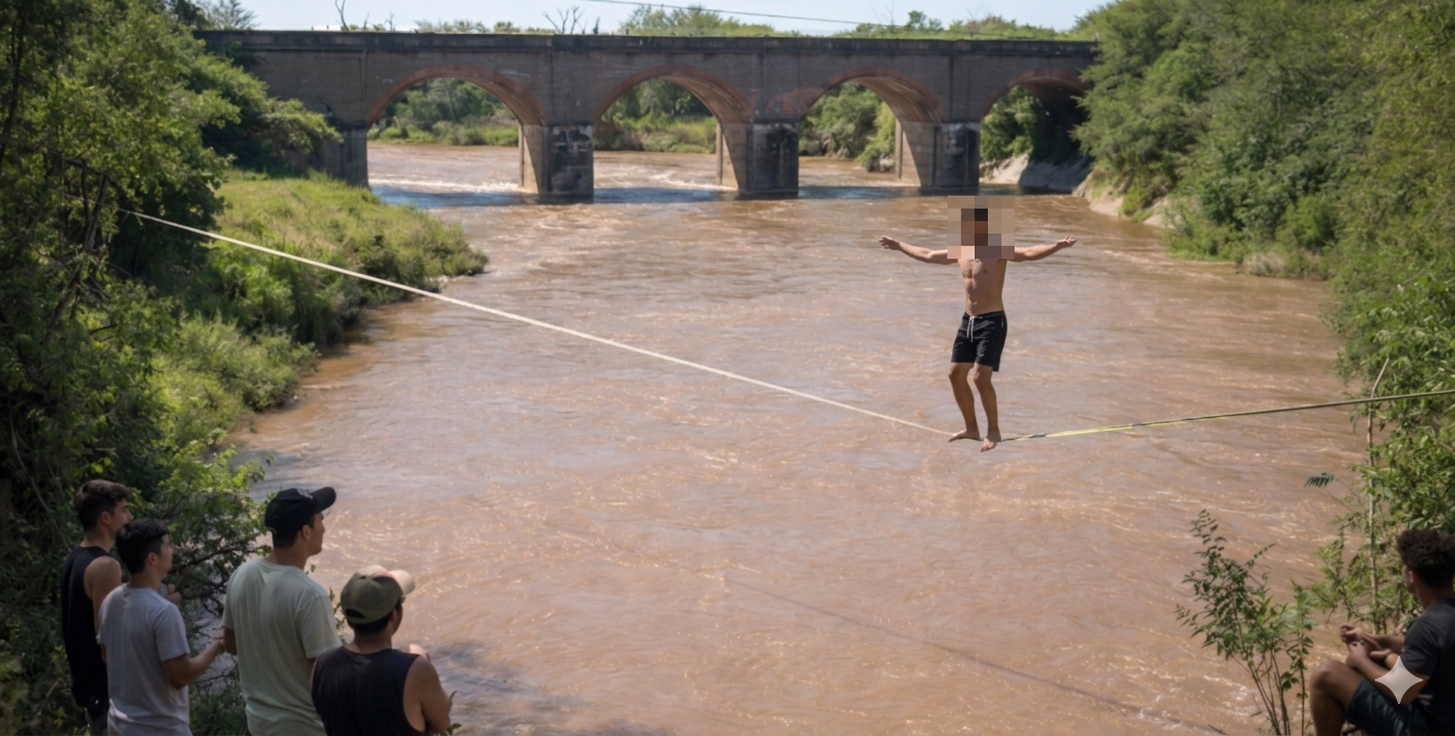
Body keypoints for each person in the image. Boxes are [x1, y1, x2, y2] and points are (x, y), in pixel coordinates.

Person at [880, 206, 1076, 451]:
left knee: (980, 378)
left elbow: (1028, 252)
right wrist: (899, 245)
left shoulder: (997, 251)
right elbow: (928, 255)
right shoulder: (961, 253)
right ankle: (971, 429)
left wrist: (1057, 246)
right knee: (955, 374)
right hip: (968, 321)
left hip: (992, 322)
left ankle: (993, 431)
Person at [1309, 528, 1455, 735]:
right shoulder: (1444, 619)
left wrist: (1360, 659)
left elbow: (1404, 690)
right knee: (1369, 661)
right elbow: (1430, 647)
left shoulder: (1427, 626)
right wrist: (1375, 641)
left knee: (1325, 674)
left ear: (1411, 576)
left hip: (1430, 729)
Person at [222, 487, 342, 735]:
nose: (324, 527)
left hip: (258, 726)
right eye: (321, 519)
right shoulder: (310, 595)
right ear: (305, 532)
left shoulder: (242, 575)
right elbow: (329, 678)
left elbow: (231, 644)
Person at [97, 519, 225, 735]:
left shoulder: (111, 600)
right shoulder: (163, 611)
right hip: (160, 729)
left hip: (119, 726)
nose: (172, 550)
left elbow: (106, 655)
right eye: (167, 545)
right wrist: (218, 646)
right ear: (152, 558)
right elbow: (180, 677)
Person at [311, 566, 452, 735]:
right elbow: (444, 725)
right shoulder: (415, 670)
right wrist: (421, 661)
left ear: (348, 619)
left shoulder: (322, 665)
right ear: (394, 615)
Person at [61, 479, 133, 734]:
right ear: (105, 518)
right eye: (124, 510)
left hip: (92, 696)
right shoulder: (105, 566)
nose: (130, 517)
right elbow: (109, 643)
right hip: (108, 700)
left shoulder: (75, 557)